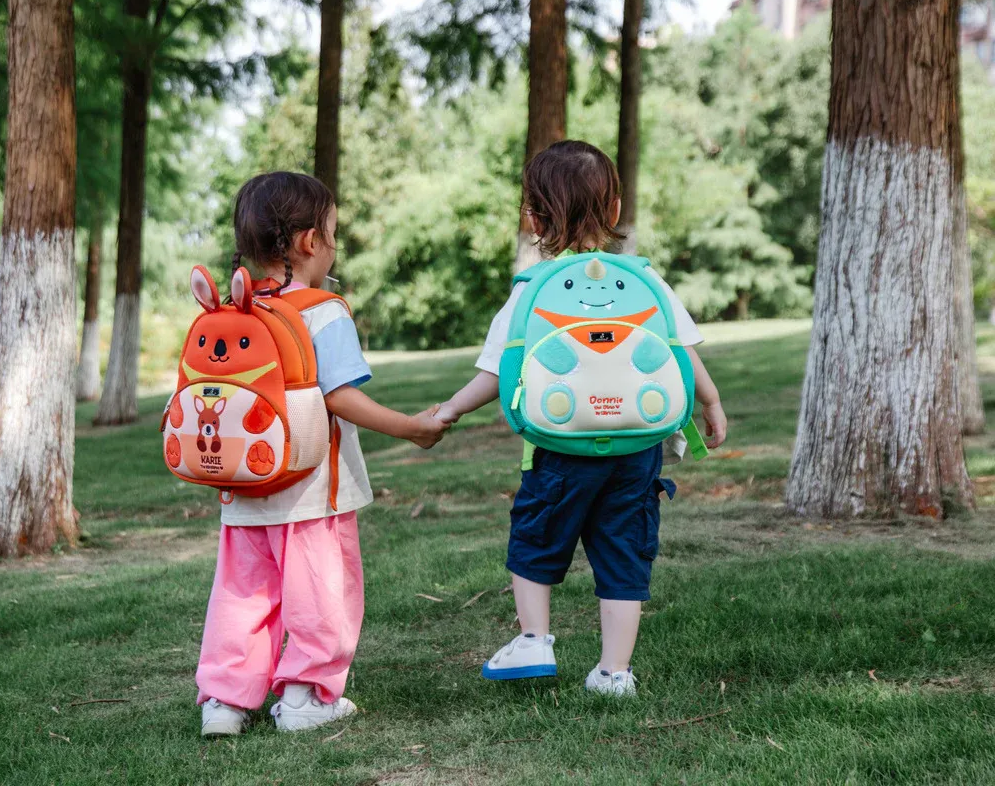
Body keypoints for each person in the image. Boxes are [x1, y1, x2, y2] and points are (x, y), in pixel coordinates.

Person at [435, 140, 728, 696]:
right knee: (624, 550)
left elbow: (498, 371)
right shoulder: (643, 281)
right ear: (614, 209)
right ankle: (614, 672)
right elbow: (681, 352)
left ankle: (535, 640)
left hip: (557, 451)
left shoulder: (532, 292)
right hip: (636, 451)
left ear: (535, 216)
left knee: (536, 539)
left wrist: (450, 409)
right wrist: (709, 404)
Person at [197, 172, 449, 735]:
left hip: (242, 487)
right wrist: (412, 428)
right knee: (320, 593)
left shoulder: (233, 311)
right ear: (310, 242)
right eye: (334, 232)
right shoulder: (321, 310)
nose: (335, 242)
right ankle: (308, 695)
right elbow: (341, 397)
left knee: (242, 595)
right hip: (313, 493)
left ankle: (226, 700)